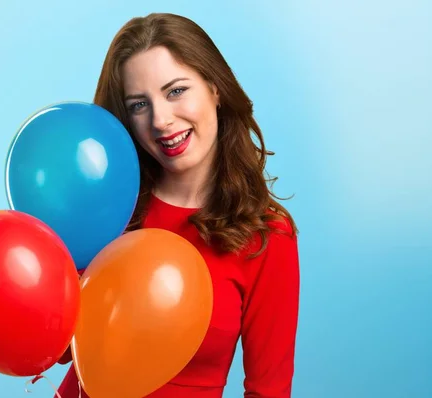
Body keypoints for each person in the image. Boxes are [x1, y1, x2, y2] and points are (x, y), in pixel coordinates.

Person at [56, 12, 300, 398]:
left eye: (175, 91)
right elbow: (60, 349)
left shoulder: (267, 235)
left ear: (215, 88)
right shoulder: (107, 209)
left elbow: (269, 390)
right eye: (139, 104)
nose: (161, 120)